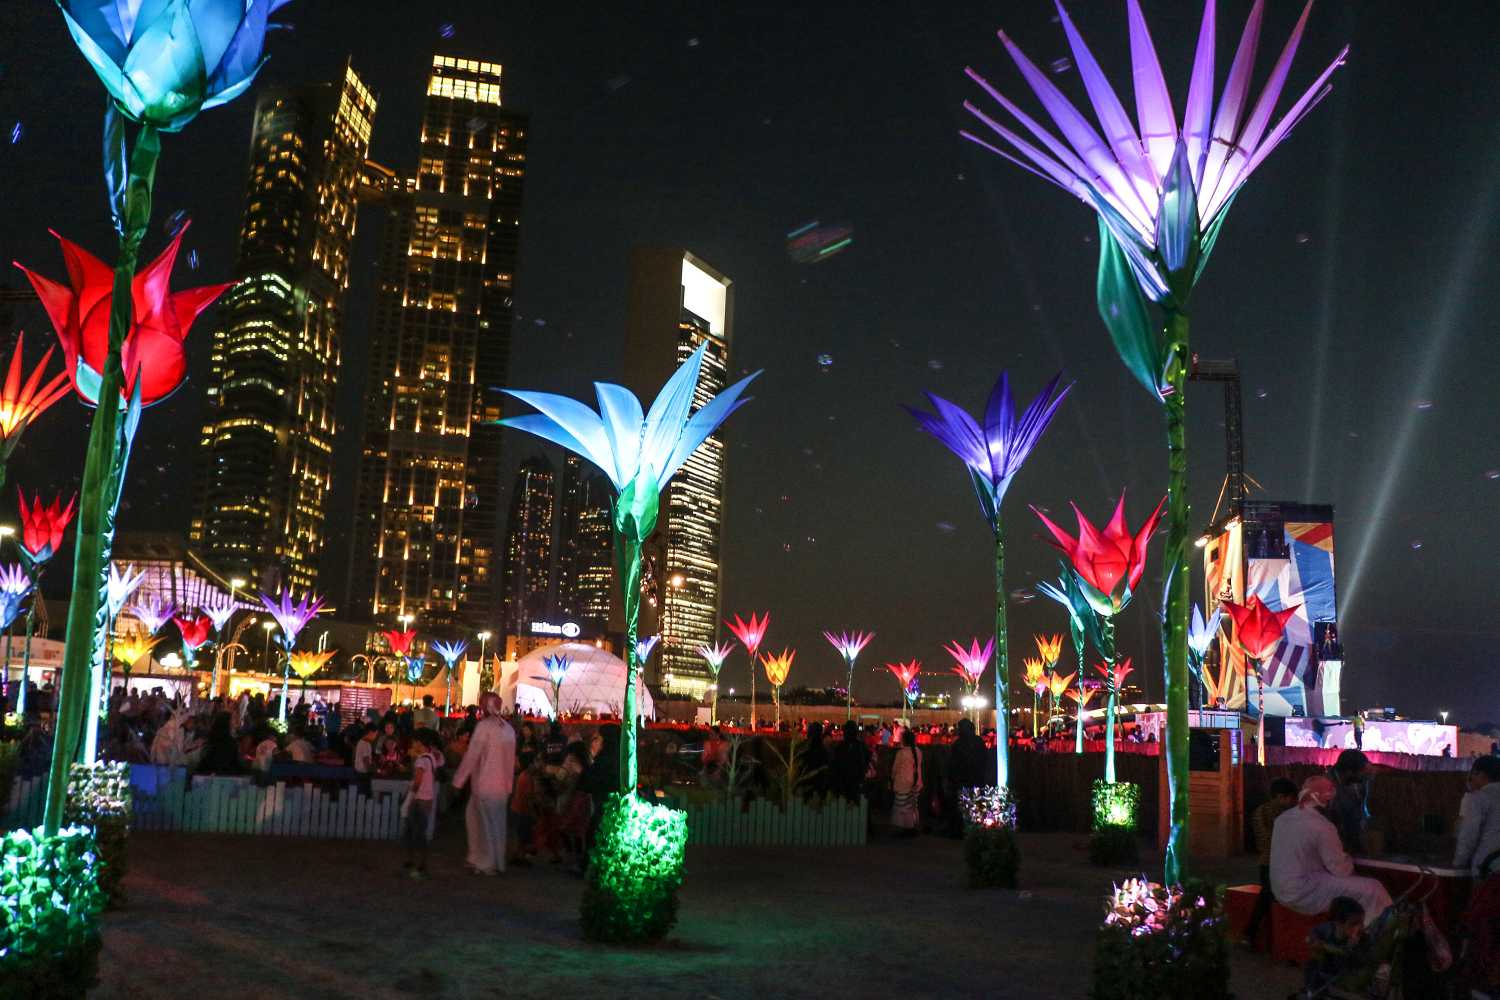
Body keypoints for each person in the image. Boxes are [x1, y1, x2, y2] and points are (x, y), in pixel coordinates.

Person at [1270, 775, 1391, 927]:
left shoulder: (1282, 819)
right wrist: (1348, 857)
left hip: (1279, 889)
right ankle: (1372, 941)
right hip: (1303, 891)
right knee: (1374, 889)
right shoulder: (1322, 826)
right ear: (1325, 801)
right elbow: (1341, 869)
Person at [451, 692, 516, 876]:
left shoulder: (484, 727)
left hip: (484, 785)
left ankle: (486, 863)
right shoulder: (508, 729)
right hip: (501, 787)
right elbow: (511, 761)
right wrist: (509, 786)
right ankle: (487, 859)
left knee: (483, 824)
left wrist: (458, 781)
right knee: (492, 822)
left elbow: (472, 756)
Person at [1242, 777, 1298, 946]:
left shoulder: (1265, 812)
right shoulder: (1272, 814)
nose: (1293, 802)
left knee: (1268, 897)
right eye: (1290, 798)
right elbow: (1267, 840)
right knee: (1268, 897)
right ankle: (1253, 934)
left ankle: (1259, 936)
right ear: (1281, 797)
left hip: (1269, 861)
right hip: (1271, 861)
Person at [1303, 896, 1367, 996]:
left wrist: (1352, 946)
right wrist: (1314, 941)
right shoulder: (1327, 928)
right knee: (1312, 965)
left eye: (1362, 923)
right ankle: (1312, 990)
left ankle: (1316, 990)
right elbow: (1313, 934)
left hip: (1343, 970)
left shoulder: (1360, 938)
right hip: (1325, 964)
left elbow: (1359, 960)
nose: (1360, 927)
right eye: (1354, 924)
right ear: (1338, 923)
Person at [403, 729, 443, 879]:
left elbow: (418, 781)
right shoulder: (431, 758)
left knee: (414, 831)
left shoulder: (421, 760)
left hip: (419, 798)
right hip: (429, 798)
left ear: (420, 743)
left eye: (415, 742)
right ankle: (419, 862)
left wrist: (410, 795)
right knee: (420, 831)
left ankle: (417, 863)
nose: (413, 744)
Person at [1454, 755, 1500, 874]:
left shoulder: (1479, 799)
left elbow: (1468, 836)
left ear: (1482, 775)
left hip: (1489, 868)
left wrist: (1459, 863)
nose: (1471, 780)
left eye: (1473, 775)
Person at [944, 718, 989, 836]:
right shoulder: (978, 742)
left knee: (961, 807)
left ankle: (960, 830)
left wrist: (951, 779)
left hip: (962, 781)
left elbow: (952, 764)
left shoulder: (958, 744)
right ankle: (975, 830)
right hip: (976, 780)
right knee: (974, 805)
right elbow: (984, 760)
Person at [1328, 749, 1371, 854]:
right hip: (1335, 846)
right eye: (1362, 772)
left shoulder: (1357, 783)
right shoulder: (1327, 789)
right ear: (1349, 772)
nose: (1364, 776)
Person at [890, 728, 922, 836]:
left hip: (902, 783)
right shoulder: (918, 751)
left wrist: (892, 778)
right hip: (916, 783)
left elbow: (895, 768)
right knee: (912, 805)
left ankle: (902, 828)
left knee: (900, 806)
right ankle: (911, 826)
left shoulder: (901, 753)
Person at [830, 721, 872, 804]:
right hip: (856, 784)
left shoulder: (839, 747)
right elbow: (866, 761)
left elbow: (834, 765)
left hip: (843, 784)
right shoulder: (861, 746)